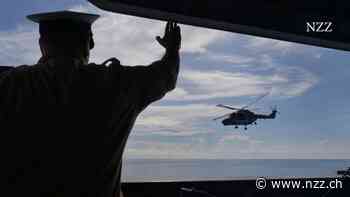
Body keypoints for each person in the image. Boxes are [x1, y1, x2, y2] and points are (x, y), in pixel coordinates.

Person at [1, 10, 181, 197]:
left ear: (42, 44)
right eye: (90, 39)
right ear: (89, 43)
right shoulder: (118, 84)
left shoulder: (9, 84)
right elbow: (166, 75)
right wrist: (172, 49)